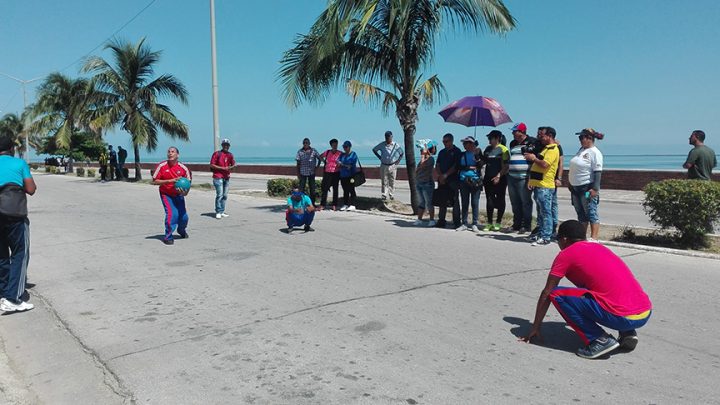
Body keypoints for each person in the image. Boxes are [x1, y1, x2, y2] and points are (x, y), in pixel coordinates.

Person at [521, 220, 652, 359]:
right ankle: (628, 333)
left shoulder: (566, 254)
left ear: (564, 239)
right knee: (604, 291)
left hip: (621, 317)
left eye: (558, 240)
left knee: (556, 294)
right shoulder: (601, 248)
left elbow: (547, 292)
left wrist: (535, 327)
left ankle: (600, 340)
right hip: (644, 312)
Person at [0, 135, 37, 313]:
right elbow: (31, 189)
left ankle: (3, 293)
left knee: (1, 255)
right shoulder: (19, 164)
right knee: (19, 254)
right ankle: (12, 298)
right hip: (14, 215)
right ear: (11, 149)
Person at [525, 126, 560, 246]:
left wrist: (534, 158)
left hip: (545, 185)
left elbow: (545, 164)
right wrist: (531, 181)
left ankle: (546, 236)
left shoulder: (552, 149)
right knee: (540, 212)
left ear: (549, 136)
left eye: (543, 136)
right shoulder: (545, 148)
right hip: (538, 184)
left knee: (546, 212)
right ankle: (540, 233)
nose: (540, 138)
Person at [569, 128, 605, 241]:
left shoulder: (595, 152)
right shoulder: (581, 150)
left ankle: (594, 237)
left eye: (582, 137)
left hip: (587, 188)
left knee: (590, 211)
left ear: (589, 138)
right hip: (576, 187)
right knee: (580, 212)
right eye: (580, 138)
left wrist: (595, 188)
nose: (580, 140)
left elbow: (597, 171)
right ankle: (582, 236)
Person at [152, 147, 191, 245]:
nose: (170, 153)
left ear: (177, 155)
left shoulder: (183, 168)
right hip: (166, 194)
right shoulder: (162, 166)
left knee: (184, 217)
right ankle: (168, 237)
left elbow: (188, 184)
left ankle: (181, 230)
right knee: (172, 214)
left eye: (173, 152)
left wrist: (184, 193)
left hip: (178, 195)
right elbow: (154, 181)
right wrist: (170, 181)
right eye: (168, 152)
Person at [507, 123, 537, 233]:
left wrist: (531, 178)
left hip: (524, 177)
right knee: (515, 202)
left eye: (515, 131)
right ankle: (516, 224)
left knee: (525, 202)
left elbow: (534, 161)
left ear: (522, 132)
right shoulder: (512, 143)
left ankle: (526, 225)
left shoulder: (532, 141)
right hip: (512, 176)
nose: (513, 133)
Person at [482, 130, 509, 231]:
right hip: (488, 178)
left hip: (500, 178)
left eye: (490, 138)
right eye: (488, 138)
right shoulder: (488, 149)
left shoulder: (503, 149)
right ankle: (489, 223)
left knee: (500, 199)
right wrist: (477, 154)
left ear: (497, 138)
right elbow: (482, 162)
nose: (489, 140)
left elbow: (506, 166)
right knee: (489, 200)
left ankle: (498, 222)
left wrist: (498, 176)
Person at [434, 133, 461, 229]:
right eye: (443, 141)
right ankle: (441, 220)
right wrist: (440, 175)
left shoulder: (457, 151)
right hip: (442, 180)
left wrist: (446, 175)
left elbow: (455, 166)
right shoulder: (441, 152)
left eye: (446, 141)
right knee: (442, 200)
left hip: (453, 179)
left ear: (451, 141)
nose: (444, 143)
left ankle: (457, 221)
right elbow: (437, 164)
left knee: (455, 200)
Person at [457, 136, 483, 232]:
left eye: (466, 143)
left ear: (472, 144)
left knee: (474, 203)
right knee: (464, 202)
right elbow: (458, 166)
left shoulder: (478, 153)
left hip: (475, 180)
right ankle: (464, 223)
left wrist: (477, 159)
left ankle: (474, 223)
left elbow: (481, 165)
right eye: (464, 143)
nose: (464, 145)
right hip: (464, 180)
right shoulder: (462, 154)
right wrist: (468, 167)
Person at [372, 130, 404, 200]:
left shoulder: (395, 145)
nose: (387, 139)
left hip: (393, 165)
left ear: (391, 137)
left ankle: (391, 194)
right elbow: (374, 150)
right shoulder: (382, 144)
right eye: (386, 137)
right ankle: (384, 194)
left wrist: (398, 161)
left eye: (389, 137)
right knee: (384, 181)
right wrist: (380, 157)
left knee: (392, 181)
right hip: (384, 165)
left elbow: (401, 153)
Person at [209, 138, 236, 219]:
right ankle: (218, 211)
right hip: (218, 177)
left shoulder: (230, 155)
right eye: (224, 145)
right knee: (219, 195)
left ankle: (222, 211)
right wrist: (223, 168)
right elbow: (212, 165)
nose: (226, 146)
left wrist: (233, 167)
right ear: (222, 145)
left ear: (229, 146)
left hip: (226, 177)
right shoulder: (217, 154)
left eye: (227, 145)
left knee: (225, 195)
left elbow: (233, 164)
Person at [414, 139, 437, 226]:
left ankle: (431, 219)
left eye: (422, 149)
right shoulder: (423, 159)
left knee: (429, 202)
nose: (421, 151)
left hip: (427, 184)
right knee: (421, 202)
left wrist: (423, 154)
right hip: (419, 182)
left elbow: (423, 165)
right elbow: (418, 169)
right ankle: (419, 219)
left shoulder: (430, 159)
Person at [296, 138, 320, 206]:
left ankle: (312, 203)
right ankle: (301, 203)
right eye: (304, 143)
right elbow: (298, 163)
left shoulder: (313, 151)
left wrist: (317, 167)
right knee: (301, 189)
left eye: (307, 143)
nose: (305, 144)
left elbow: (320, 159)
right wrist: (298, 173)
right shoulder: (300, 151)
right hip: (302, 173)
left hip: (311, 173)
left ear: (309, 143)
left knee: (312, 189)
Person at [319, 139, 342, 211]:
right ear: (331, 145)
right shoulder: (327, 152)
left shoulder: (340, 153)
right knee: (325, 189)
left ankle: (334, 204)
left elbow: (344, 160)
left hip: (336, 172)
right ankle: (323, 204)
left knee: (335, 189)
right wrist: (324, 161)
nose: (335, 146)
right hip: (327, 172)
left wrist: (340, 164)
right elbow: (320, 156)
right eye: (334, 145)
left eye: (336, 145)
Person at [337, 141, 358, 211]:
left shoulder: (353, 154)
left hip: (351, 175)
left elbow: (351, 165)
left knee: (351, 189)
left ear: (349, 147)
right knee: (345, 190)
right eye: (344, 147)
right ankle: (345, 204)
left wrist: (343, 165)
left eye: (346, 147)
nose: (345, 148)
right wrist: (342, 164)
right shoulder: (342, 155)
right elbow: (338, 162)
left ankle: (353, 204)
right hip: (343, 175)